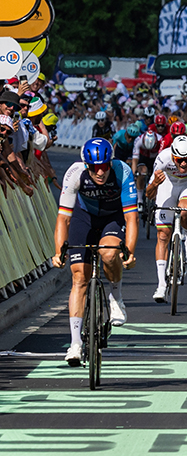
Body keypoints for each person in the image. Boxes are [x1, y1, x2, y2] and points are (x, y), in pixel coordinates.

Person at [52, 138, 138, 365]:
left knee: (109, 253)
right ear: (86, 165)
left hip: (112, 217)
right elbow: (63, 217)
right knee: (79, 276)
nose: (100, 172)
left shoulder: (122, 171)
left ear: (111, 162)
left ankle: (116, 297)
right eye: (94, 167)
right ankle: (75, 344)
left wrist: (129, 251)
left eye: (104, 166)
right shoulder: (75, 173)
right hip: (84, 218)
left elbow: (131, 217)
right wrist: (58, 251)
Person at [146, 135, 187, 302]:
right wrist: (154, 185)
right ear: (173, 155)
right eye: (179, 160)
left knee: (185, 209)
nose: (183, 163)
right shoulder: (163, 158)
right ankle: (161, 285)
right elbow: (149, 194)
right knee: (163, 235)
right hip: (167, 186)